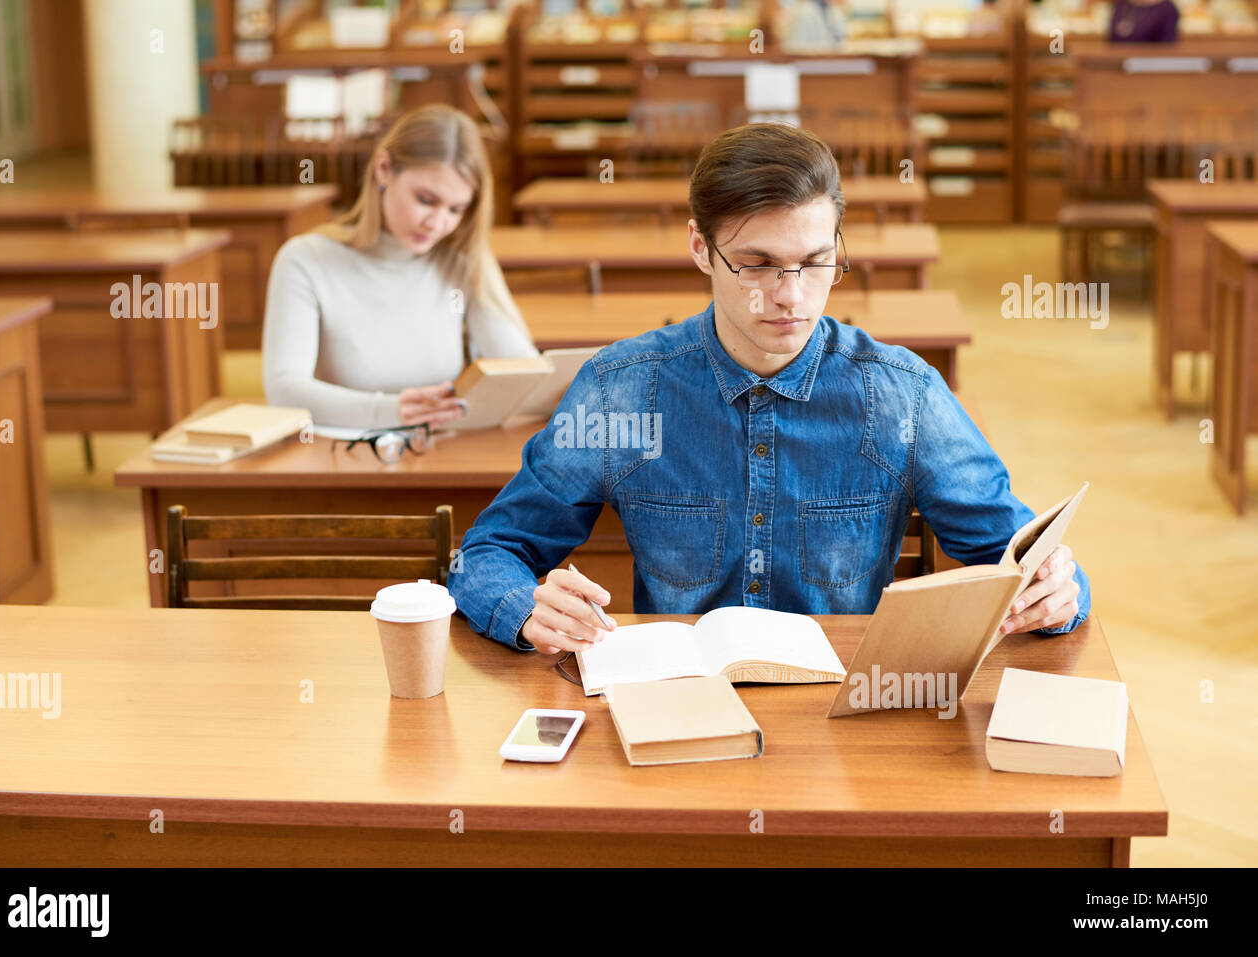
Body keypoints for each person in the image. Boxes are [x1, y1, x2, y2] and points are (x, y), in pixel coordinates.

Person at [447, 122, 1091, 655]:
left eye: (815, 263)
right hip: (678, 710)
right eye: (757, 265)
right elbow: (487, 552)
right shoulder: (621, 391)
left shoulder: (903, 395)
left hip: (842, 725)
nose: (790, 295)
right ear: (700, 248)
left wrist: (1057, 590)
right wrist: (524, 607)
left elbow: (1021, 555)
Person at [262, 103, 537, 431]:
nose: (437, 223)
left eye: (456, 209)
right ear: (384, 169)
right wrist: (391, 411)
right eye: (426, 200)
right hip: (343, 454)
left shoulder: (459, 259)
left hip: (439, 452)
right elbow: (284, 391)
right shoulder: (305, 260)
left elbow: (523, 371)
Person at [1108, 0, 1179, 42]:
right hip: (1117, 58)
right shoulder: (1121, 3)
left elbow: (1166, 46)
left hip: (1148, 60)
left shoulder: (1167, 8)